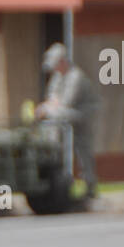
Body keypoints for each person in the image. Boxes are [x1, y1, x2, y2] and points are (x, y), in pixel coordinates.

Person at [36, 42, 100, 197]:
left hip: (81, 116)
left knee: (83, 150)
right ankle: (61, 182)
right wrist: (49, 106)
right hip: (65, 115)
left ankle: (90, 188)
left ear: (63, 62)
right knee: (53, 130)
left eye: (56, 64)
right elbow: (51, 97)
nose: (54, 69)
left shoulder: (76, 76)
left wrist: (49, 107)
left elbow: (65, 102)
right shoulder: (58, 77)